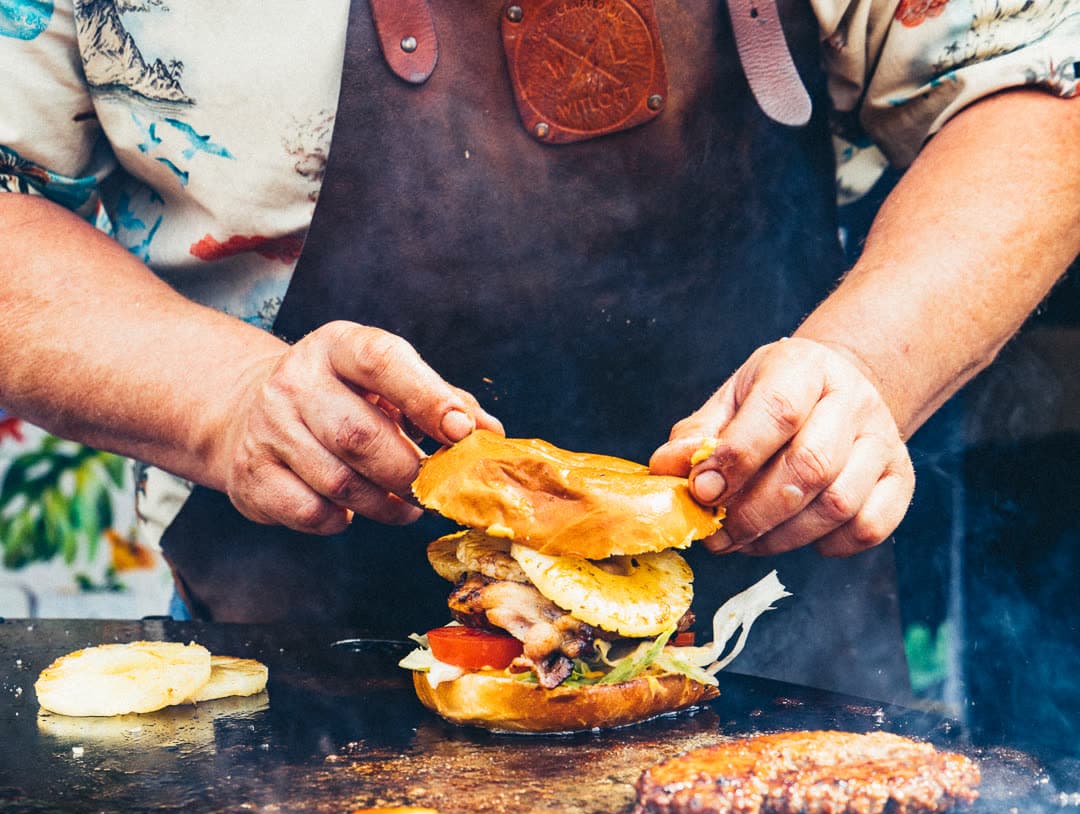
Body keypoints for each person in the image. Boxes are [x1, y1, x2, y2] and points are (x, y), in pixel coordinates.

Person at [0, 0, 1077, 697]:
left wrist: (869, 368)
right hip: (290, 675)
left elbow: (1037, 86)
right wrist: (225, 396)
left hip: (792, 671)